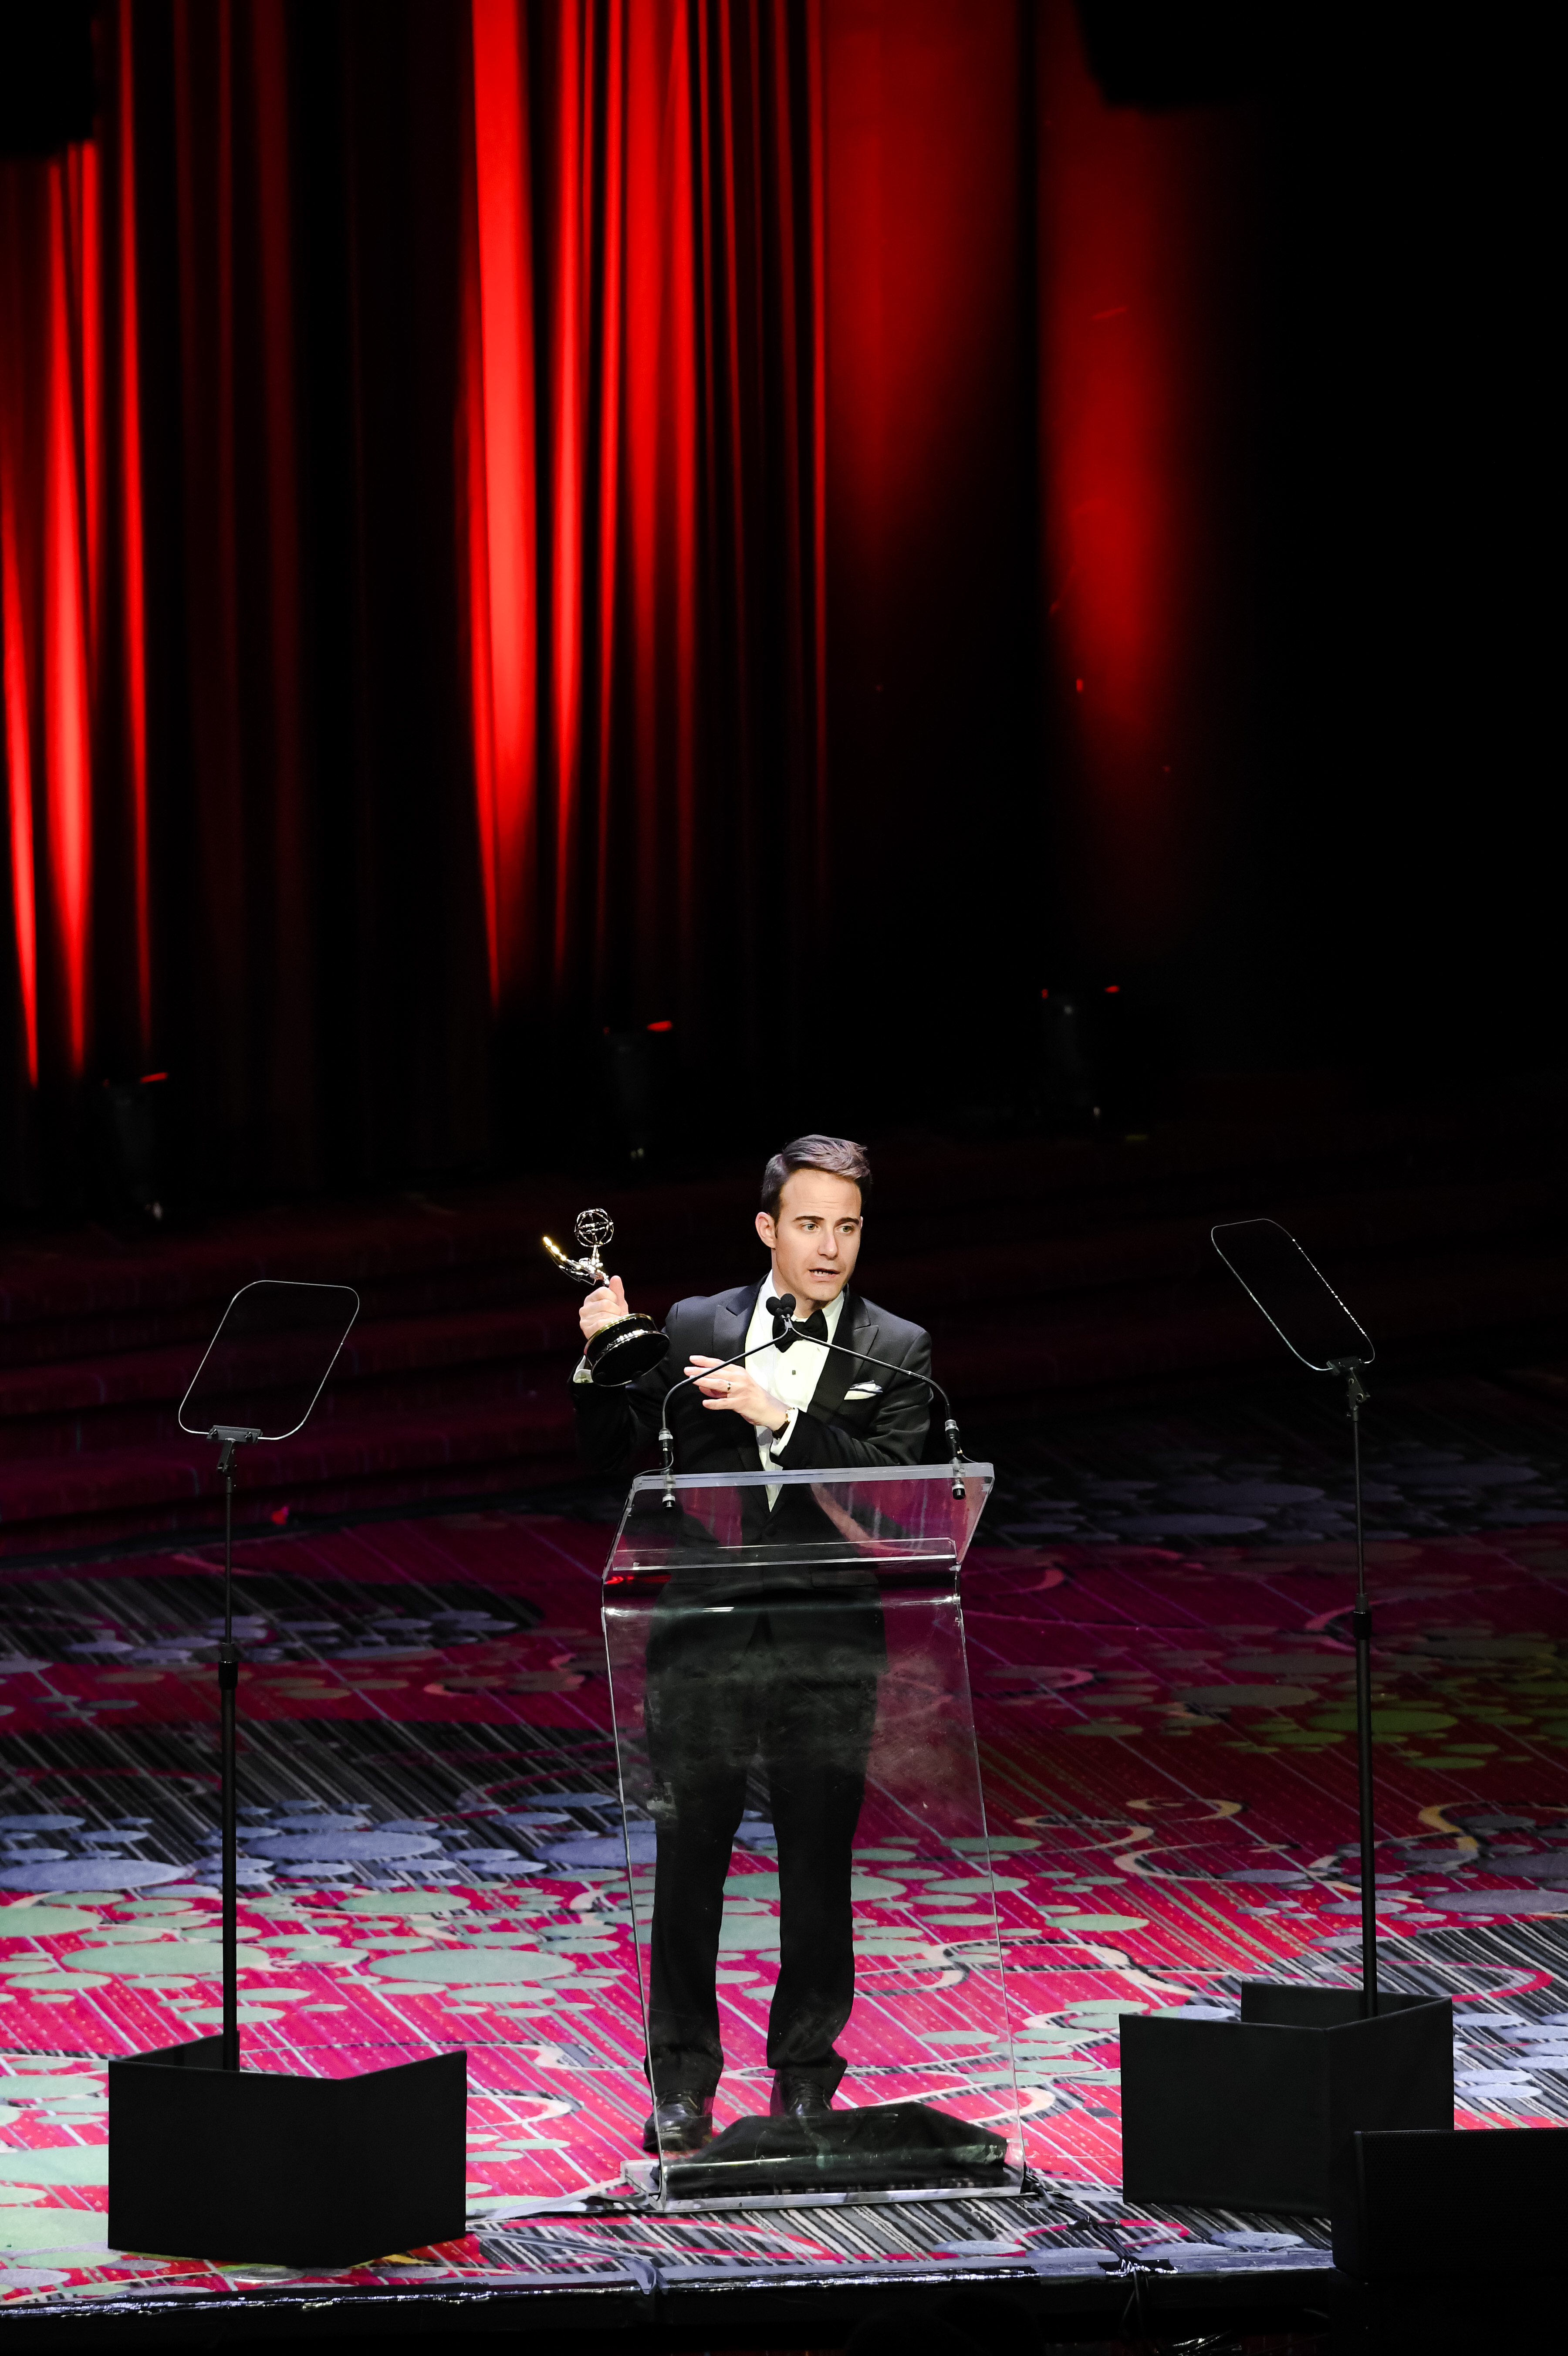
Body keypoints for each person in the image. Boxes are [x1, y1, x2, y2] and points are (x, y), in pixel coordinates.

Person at [571, 1133, 933, 2155]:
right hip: (701, 1637)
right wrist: (598, 1355)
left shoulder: (898, 1348)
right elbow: (612, 1449)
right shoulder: (696, 1324)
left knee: (818, 1874)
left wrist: (782, 1417)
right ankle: (681, 2084)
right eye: (809, 1224)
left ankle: (806, 2084)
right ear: (768, 1228)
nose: (830, 1247)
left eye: (847, 1227)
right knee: (689, 1868)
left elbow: (894, 1495)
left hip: (828, 1645)